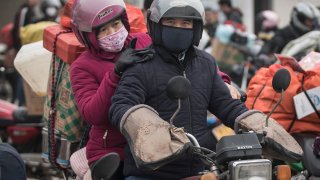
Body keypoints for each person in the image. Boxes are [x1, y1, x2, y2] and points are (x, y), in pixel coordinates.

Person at [109, 0, 303, 179]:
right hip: (151, 172)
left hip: (199, 167)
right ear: (156, 25)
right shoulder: (142, 64)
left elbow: (225, 104)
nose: (179, 28)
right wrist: (148, 126)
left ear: (196, 28)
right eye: (171, 22)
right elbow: (121, 105)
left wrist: (258, 124)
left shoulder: (205, 63)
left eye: (186, 23)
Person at [69, 0, 152, 179]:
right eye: (103, 30)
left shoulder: (143, 41)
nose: (113, 33)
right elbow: (93, 114)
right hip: (114, 150)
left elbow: (181, 61)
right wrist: (115, 74)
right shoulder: (81, 67)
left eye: (116, 24)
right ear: (89, 36)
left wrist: (221, 79)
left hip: (152, 140)